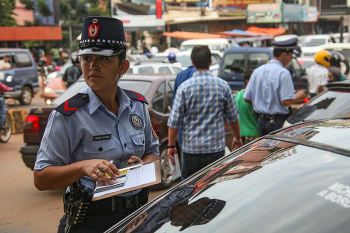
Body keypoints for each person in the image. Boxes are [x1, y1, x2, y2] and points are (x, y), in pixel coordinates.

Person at [33, 16, 159, 233]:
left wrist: (142, 166)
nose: (93, 67)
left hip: (137, 216)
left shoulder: (137, 107)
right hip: (90, 220)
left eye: (103, 60)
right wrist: (83, 167)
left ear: (123, 66)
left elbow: (153, 153)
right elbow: (41, 178)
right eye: (87, 59)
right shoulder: (69, 116)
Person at [167, 45, 243, 180]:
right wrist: (237, 138)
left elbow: (174, 122)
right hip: (215, 150)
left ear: (192, 62)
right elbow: (232, 118)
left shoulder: (184, 88)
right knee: (214, 189)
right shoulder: (223, 86)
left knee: (189, 191)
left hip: (190, 151)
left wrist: (171, 146)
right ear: (210, 62)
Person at [244, 38, 307, 137]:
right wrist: (298, 96)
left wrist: (261, 104)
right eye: (291, 55)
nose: (291, 58)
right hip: (277, 122)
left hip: (261, 121)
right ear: (284, 54)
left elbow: (247, 98)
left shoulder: (257, 71)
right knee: (278, 151)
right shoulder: (283, 73)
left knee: (266, 152)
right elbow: (285, 102)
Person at [234, 69, 259, 144]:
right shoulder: (254, 96)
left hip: (240, 137)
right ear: (247, 81)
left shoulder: (238, 95)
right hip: (254, 136)